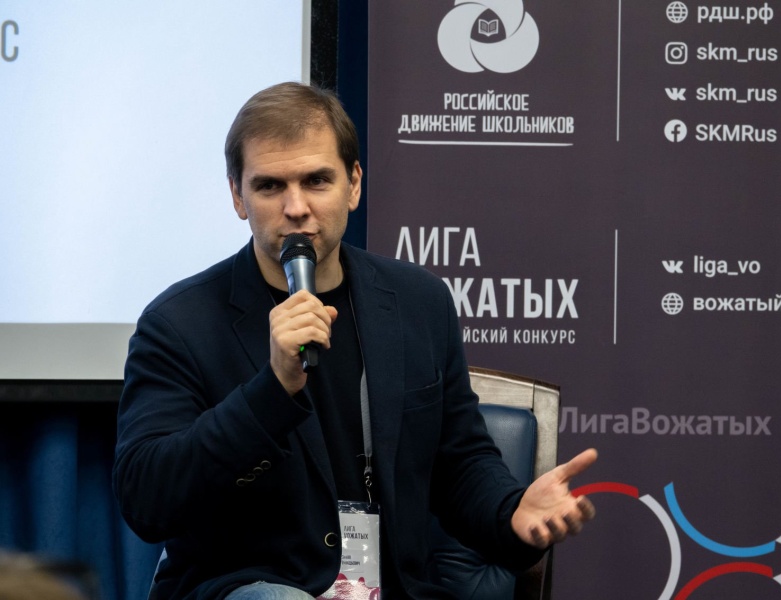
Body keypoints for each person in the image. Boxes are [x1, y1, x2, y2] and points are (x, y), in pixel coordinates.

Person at [113, 82, 596, 600]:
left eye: (317, 181)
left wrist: (511, 513)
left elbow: (459, 462)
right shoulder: (178, 324)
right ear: (238, 196)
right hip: (252, 589)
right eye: (270, 186)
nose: (296, 207)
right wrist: (272, 389)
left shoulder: (418, 301)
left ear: (354, 185)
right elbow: (147, 500)